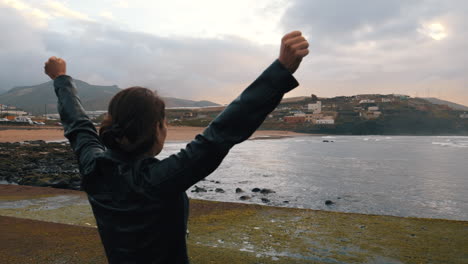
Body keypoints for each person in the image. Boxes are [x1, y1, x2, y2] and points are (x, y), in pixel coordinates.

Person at [44, 30, 309, 264]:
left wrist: (61, 79)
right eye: (164, 123)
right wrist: (281, 70)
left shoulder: (94, 165)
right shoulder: (158, 181)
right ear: (157, 129)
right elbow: (222, 132)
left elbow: (77, 124)